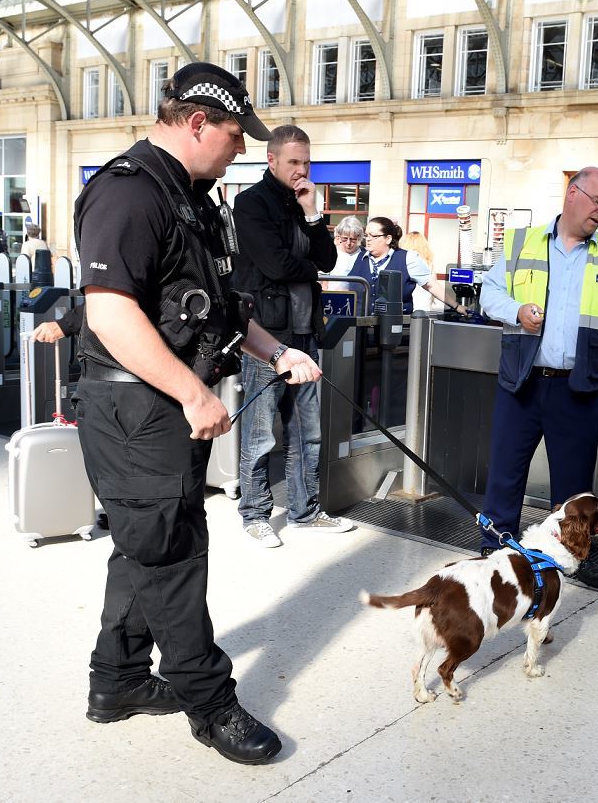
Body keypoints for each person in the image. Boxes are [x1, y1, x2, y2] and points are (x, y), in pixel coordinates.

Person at [73, 62, 321, 765]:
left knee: (144, 546)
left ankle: (116, 682)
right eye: (236, 135)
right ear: (196, 123)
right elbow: (111, 314)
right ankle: (210, 705)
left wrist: (277, 353)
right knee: (173, 552)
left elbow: (220, 309)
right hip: (136, 408)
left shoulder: (191, 199)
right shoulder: (129, 193)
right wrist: (192, 390)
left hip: (158, 409)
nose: (241, 150)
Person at [477, 166, 598, 589]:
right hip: (521, 379)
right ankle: (493, 548)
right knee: (506, 470)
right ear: (572, 193)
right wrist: (516, 312)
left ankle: (573, 557)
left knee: (575, 485)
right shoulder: (522, 242)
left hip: (577, 388)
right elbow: (490, 293)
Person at [230, 124, 350, 548]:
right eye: (293, 162)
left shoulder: (304, 205)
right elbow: (277, 265)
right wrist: (311, 267)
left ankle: (304, 511)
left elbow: (330, 259)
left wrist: (314, 214)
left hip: (306, 333)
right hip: (266, 335)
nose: (301, 170)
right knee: (261, 433)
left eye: (306, 162)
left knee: (307, 432)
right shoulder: (249, 204)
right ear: (272, 160)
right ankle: (255, 513)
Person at [347, 216, 467, 315]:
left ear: (388, 239)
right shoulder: (358, 257)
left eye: (373, 236)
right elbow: (344, 288)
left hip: (395, 330)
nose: (368, 239)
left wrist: (456, 306)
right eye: (366, 235)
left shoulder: (408, 258)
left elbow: (431, 285)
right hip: (360, 329)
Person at [403, 231, 444, 313]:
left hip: (409, 303)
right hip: (424, 303)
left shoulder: (405, 260)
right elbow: (433, 284)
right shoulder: (428, 262)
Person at [323, 216, 364, 293]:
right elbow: (323, 280)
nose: (348, 243)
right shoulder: (332, 253)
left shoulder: (364, 255)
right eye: (345, 239)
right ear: (339, 236)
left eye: (352, 239)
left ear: (359, 237)